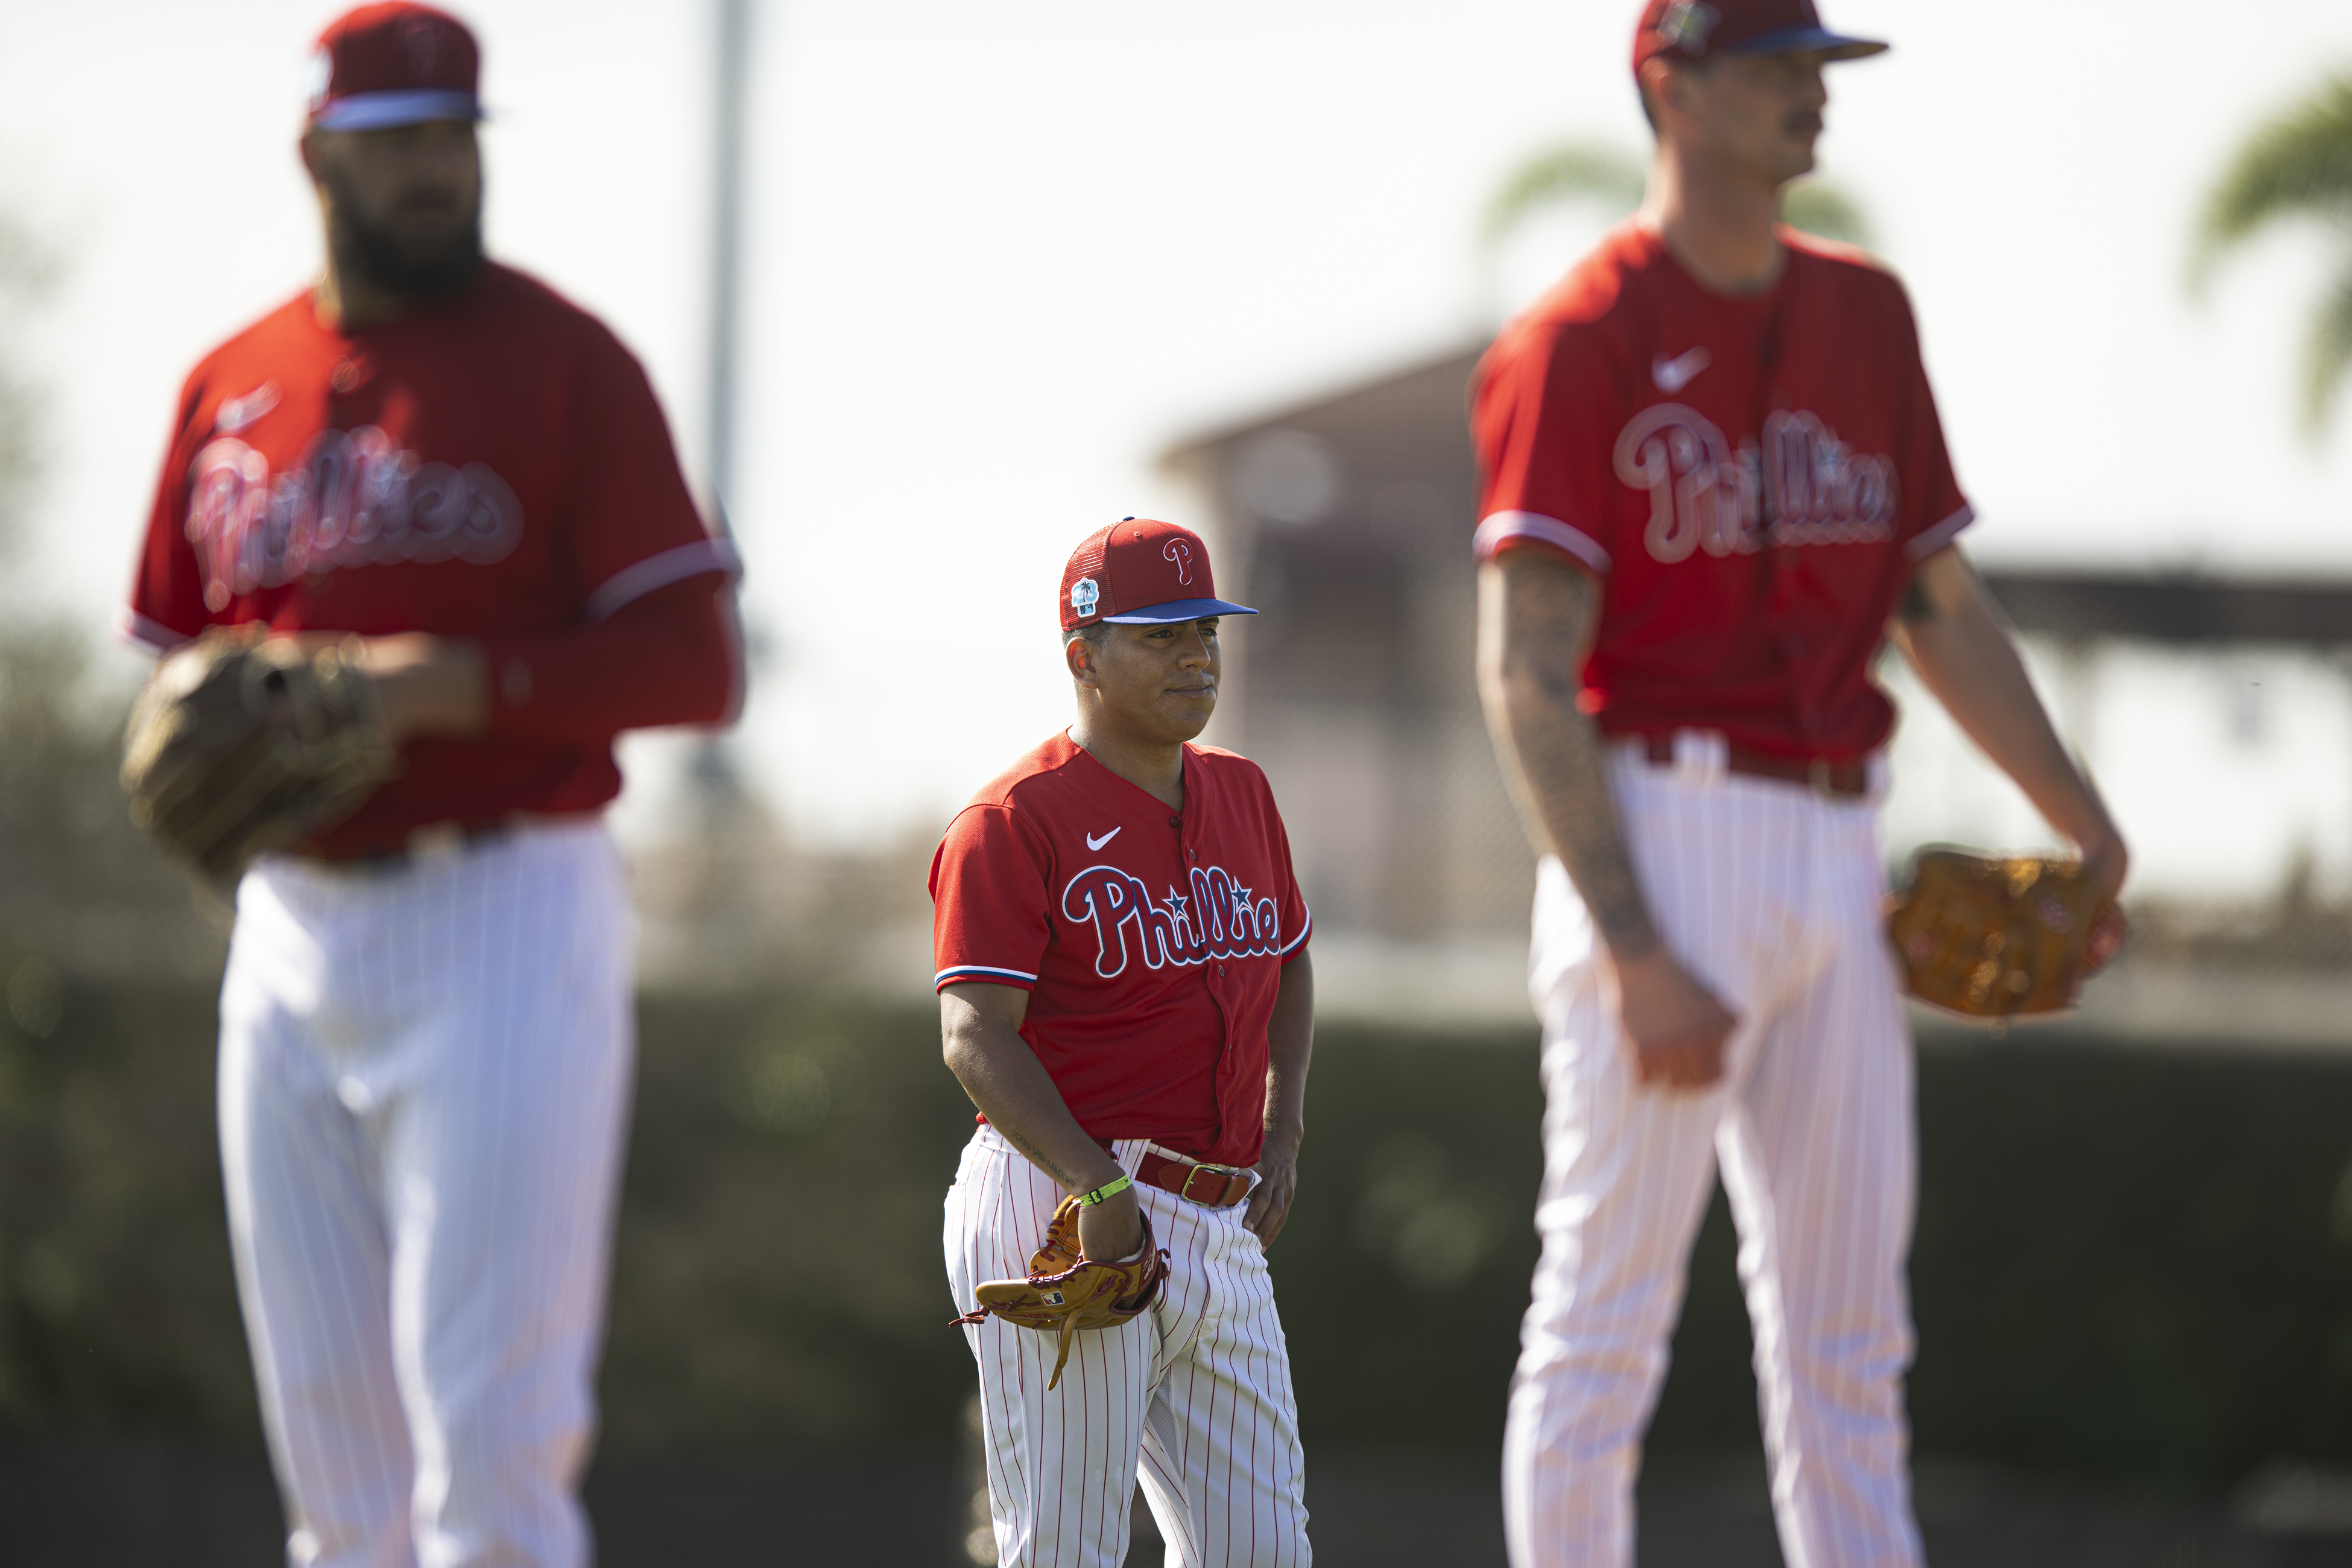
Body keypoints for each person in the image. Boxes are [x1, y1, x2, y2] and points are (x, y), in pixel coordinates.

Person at [1468, 2, 2131, 1564]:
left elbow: (1937, 607)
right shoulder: (1577, 339)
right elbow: (1522, 672)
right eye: (1775, 66)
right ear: (1671, 86)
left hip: (1841, 836)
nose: (1807, 95)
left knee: (1849, 1338)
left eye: (1816, 68)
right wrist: (1633, 947)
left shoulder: (1864, 317)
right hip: (1659, 819)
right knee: (1601, 1330)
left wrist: (2080, 820)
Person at [117, 6, 741, 1564]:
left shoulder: (565, 364)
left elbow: (695, 664)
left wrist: (450, 684)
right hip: (287, 925)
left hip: (504, 909)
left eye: (452, 140)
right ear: (318, 155)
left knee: (494, 1452)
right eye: (395, 144)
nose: (432, 174)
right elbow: (171, 671)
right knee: (336, 1483)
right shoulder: (229, 386)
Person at [930, 517, 1315, 1568]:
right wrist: (1096, 1187)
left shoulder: (1242, 791)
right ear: (1083, 655)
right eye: (1161, 634)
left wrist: (1281, 1133)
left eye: (1207, 630)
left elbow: (1290, 958)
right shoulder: (1014, 818)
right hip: (1060, 1199)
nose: (1197, 655)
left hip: (1220, 1217)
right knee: (1065, 1550)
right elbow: (973, 1035)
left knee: (1263, 1556)